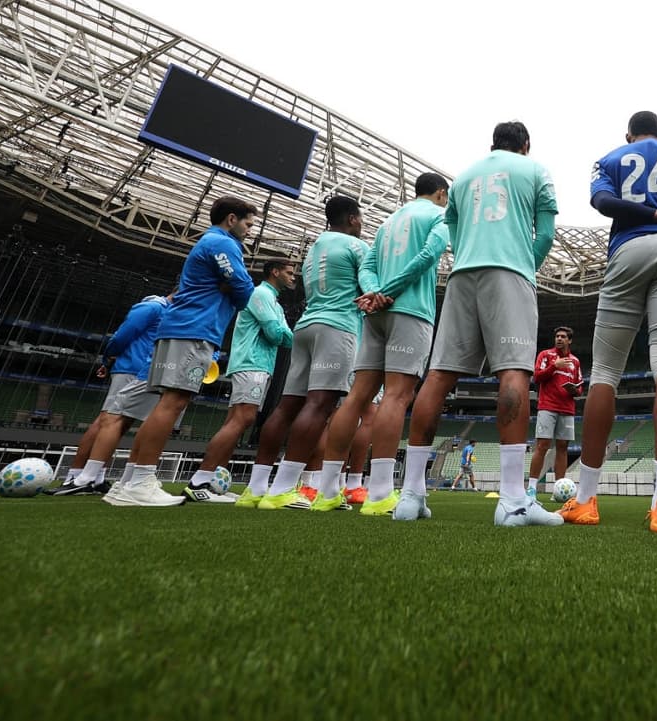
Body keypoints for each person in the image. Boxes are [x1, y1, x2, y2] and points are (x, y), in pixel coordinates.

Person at [391, 121, 562, 526]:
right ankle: (513, 500)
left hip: (463, 273)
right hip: (510, 271)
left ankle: (410, 496)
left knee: (438, 375)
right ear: (526, 145)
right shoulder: (535, 169)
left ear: (492, 144)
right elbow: (546, 235)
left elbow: (452, 229)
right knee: (514, 371)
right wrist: (525, 269)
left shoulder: (464, 176)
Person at [560, 110, 657, 534]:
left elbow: (603, 203)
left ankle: (586, 499)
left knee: (605, 372)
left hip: (627, 250)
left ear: (628, 136)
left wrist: (652, 215)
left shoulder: (610, 158)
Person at [308, 173, 450, 514]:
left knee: (356, 396)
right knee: (397, 396)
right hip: (410, 309)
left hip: (374, 313)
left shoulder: (388, 223)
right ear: (441, 194)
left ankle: (327, 492)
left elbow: (368, 266)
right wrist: (391, 290)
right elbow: (431, 254)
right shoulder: (438, 215)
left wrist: (374, 291)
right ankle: (380, 493)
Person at [111, 196, 257, 507]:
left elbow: (237, 288)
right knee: (173, 403)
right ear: (231, 219)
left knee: (165, 404)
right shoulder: (224, 243)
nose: (249, 231)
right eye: (247, 223)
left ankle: (128, 482)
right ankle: (140, 482)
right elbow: (245, 291)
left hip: (181, 328)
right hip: (195, 329)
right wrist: (233, 289)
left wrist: (229, 288)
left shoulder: (208, 242)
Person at [247, 196, 369, 510]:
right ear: (353, 219)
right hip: (337, 327)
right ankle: (284, 488)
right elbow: (372, 285)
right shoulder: (356, 247)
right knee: (320, 406)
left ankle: (257, 488)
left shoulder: (314, 248)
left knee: (287, 407)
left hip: (305, 327)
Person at [173, 260, 296, 504]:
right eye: (290, 273)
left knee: (237, 419)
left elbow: (285, 338)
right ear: (275, 271)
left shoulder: (275, 302)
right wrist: (284, 333)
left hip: (259, 364)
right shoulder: (260, 294)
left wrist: (284, 334)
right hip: (252, 362)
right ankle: (199, 481)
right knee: (243, 418)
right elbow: (276, 334)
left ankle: (213, 482)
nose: (294, 278)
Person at [48, 293, 172, 496]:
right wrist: (108, 359)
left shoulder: (166, 311)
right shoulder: (153, 307)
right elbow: (122, 335)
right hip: (131, 368)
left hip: (143, 372)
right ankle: (75, 476)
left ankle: (97, 478)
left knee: (119, 425)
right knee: (107, 420)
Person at [528, 326, 583, 496]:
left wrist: (575, 391)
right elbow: (536, 377)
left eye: (563, 336)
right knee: (542, 445)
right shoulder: (546, 355)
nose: (559, 339)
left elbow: (580, 387)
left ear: (569, 340)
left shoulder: (575, 361)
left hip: (567, 409)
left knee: (562, 447)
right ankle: (531, 488)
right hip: (547, 406)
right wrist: (554, 366)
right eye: (557, 336)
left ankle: (558, 490)